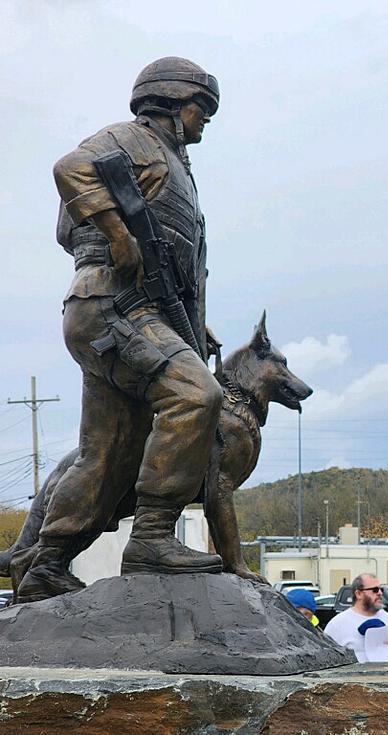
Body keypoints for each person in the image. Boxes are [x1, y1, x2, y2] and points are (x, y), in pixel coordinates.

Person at [17, 57, 226, 602]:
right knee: (196, 396)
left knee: (106, 452)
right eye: (200, 110)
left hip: (117, 311)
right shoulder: (135, 141)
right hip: (115, 306)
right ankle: (154, 536)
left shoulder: (168, 161)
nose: (204, 122)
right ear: (170, 104)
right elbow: (70, 168)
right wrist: (117, 233)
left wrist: (192, 327)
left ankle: (47, 564)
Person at [324, 573, 388, 662]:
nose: (380, 593)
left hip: (386, 674)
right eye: (375, 590)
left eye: (381, 589)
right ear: (358, 594)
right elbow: (325, 656)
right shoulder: (337, 624)